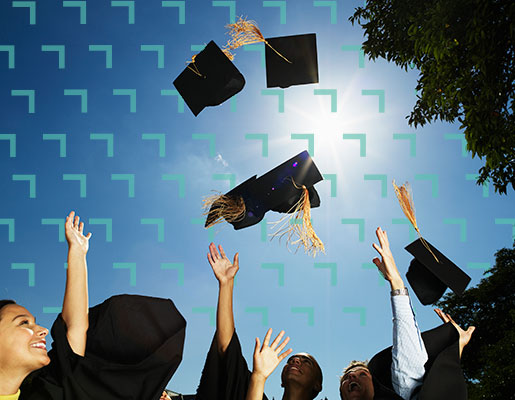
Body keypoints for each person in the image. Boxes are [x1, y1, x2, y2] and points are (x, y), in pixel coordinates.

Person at [0, 211, 186, 400]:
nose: (42, 330)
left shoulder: (46, 392)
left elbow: (75, 328)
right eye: (24, 323)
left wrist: (77, 253)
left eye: (33, 322)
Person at [339, 227, 474, 400]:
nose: (352, 377)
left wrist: (396, 283)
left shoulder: (402, 391)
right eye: (347, 378)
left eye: (362, 374)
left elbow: (407, 364)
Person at [195, 243, 323, 400]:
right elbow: (227, 347)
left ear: (318, 384)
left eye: (306, 362)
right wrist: (226, 284)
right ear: (281, 379)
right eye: (290, 360)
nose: (296, 360)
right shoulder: (254, 390)